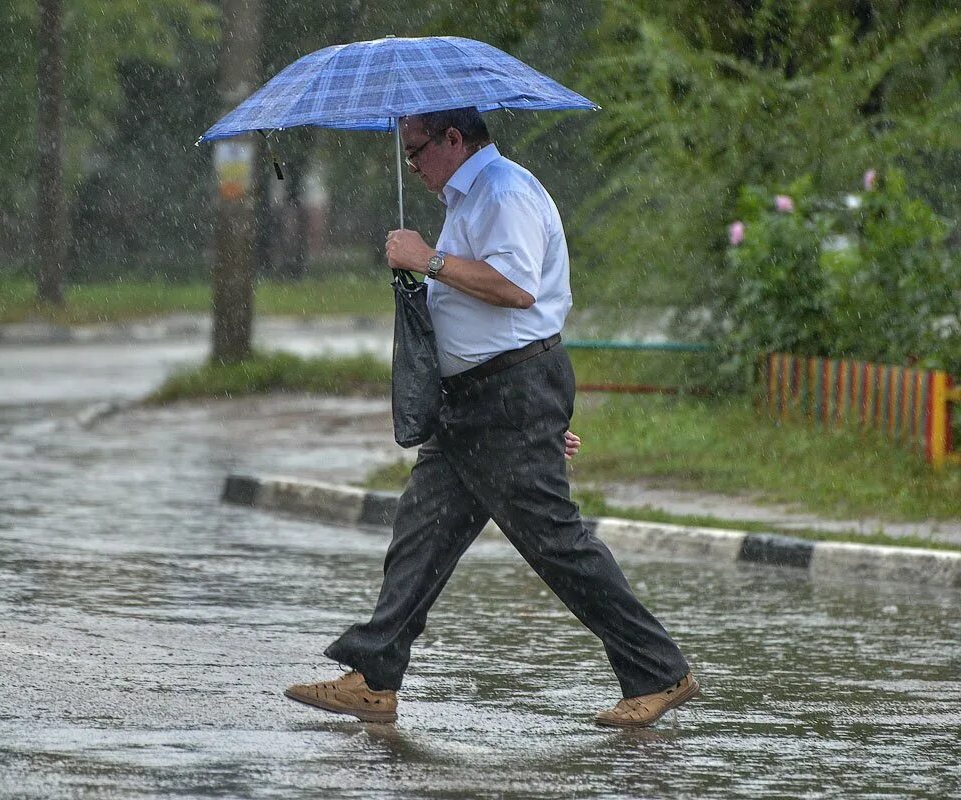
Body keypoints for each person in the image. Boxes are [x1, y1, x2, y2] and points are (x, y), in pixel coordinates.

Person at [285, 107, 698, 728]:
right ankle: (373, 678)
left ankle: (658, 671)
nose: (411, 164)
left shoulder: (503, 192)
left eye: (416, 149)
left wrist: (427, 260)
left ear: (453, 139)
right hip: (475, 402)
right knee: (420, 535)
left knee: (554, 542)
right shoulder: (468, 199)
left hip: (508, 395)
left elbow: (516, 287)